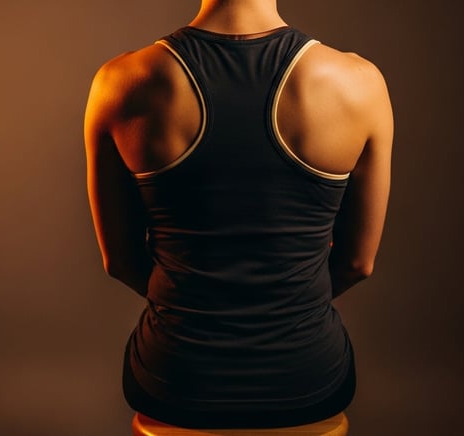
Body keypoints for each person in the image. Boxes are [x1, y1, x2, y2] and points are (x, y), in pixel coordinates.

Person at [84, 0, 393, 429]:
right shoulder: (360, 83)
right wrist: (281, 306)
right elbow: (358, 263)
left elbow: (119, 261)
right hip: (309, 380)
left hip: (173, 380)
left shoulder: (123, 82)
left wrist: (203, 306)